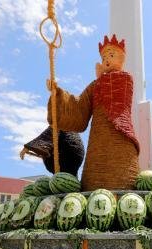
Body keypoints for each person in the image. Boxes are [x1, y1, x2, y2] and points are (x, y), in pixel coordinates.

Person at [46, 34, 140, 191]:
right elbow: (79, 104)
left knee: (124, 175)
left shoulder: (126, 79)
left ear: (122, 58)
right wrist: (58, 93)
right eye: (104, 57)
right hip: (97, 135)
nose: (107, 60)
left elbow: (118, 93)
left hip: (121, 132)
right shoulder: (96, 85)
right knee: (95, 170)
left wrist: (101, 79)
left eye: (111, 55)